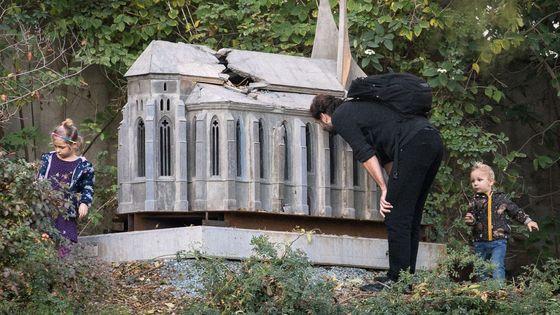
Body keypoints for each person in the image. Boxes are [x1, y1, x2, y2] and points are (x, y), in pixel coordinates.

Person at [309, 94, 443, 292]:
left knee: (395, 215)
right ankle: (405, 278)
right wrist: (395, 188)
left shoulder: (342, 115)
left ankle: (396, 280)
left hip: (414, 145)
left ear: (324, 116)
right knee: (410, 216)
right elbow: (389, 160)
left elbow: (365, 154)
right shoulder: (364, 113)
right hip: (432, 141)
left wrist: (385, 189)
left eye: (321, 123)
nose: (324, 127)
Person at [464, 162, 538, 281]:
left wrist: (528, 221)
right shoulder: (474, 201)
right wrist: (470, 220)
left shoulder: (501, 198)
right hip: (480, 242)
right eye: (473, 181)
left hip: (498, 242)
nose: (475, 183)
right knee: (480, 268)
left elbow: (515, 211)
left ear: (491, 181)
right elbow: (471, 216)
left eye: (479, 179)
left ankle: (499, 293)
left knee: (496, 265)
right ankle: (483, 293)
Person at [37, 118, 95, 256]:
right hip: (45, 209)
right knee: (42, 242)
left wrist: (84, 203)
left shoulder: (83, 166)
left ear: (74, 145)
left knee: (64, 243)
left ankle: (60, 269)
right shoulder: (48, 159)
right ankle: (44, 268)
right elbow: (39, 179)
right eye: (55, 146)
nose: (57, 150)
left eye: (61, 147)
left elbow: (88, 187)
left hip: (66, 212)